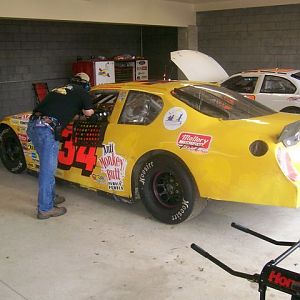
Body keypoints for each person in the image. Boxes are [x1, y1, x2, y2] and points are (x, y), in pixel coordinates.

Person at [27, 72, 94, 219]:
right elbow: (89, 113)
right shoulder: (82, 92)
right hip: (46, 130)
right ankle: (45, 209)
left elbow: (64, 111)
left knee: (46, 166)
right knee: (48, 170)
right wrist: (89, 111)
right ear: (86, 84)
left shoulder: (60, 90)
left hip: (33, 125)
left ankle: (50, 197)